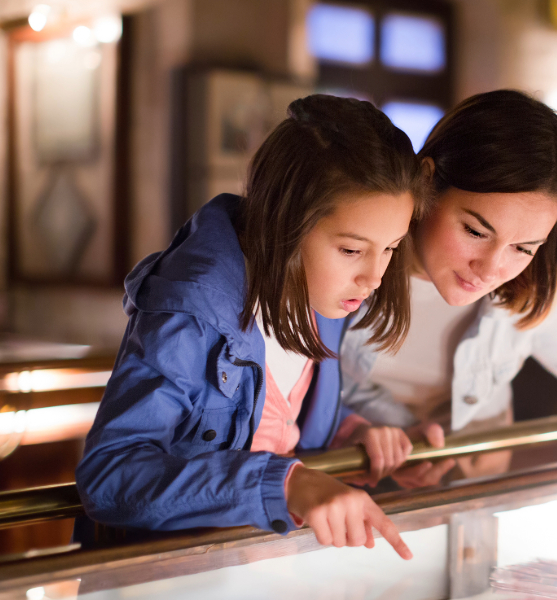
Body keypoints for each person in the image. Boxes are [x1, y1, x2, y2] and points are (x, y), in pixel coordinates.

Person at [75, 95, 430, 557]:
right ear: (283, 222)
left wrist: (352, 432)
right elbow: (110, 476)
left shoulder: (328, 298)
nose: (374, 277)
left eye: (390, 248)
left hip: (262, 566)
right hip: (171, 576)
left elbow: (275, 416)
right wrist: (284, 485)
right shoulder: (190, 314)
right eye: (350, 250)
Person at [340, 90, 557, 486]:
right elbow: (308, 374)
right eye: (475, 231)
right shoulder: (354, 247)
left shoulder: (545, 263)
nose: (490, 268)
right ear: (426, 180)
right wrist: (396, 433)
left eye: (523, 248)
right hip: (355, 463)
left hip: (474, 467)